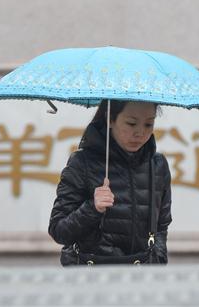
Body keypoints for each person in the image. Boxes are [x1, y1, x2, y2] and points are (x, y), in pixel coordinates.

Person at [48, 99, 172, 264]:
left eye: (148, 124)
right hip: (92, 277)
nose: (140, 133)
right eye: (131, 123)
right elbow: (58, 230)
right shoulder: (82, 163)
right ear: (110, 119)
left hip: (141, 278)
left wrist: (158, 260)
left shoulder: (157, 165)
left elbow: (161, 226)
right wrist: (92, 208)